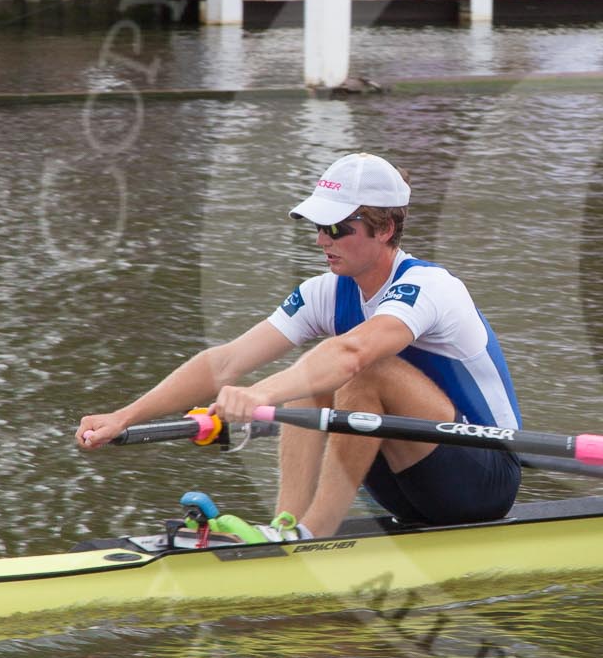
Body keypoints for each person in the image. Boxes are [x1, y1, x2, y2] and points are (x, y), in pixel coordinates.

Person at [79, 154, 523, 537]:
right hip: (405, 486)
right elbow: (225, 362)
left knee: (358, 369)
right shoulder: (324, 292)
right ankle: (287, 525)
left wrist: (260, 395)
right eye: (318, 226)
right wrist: (124, 415)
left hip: (484, 477)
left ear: (384, 228)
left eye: (336, 227)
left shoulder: (429, 286)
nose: (321, 240)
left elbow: (352, 355)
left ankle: (313, 534)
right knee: (314, 375)